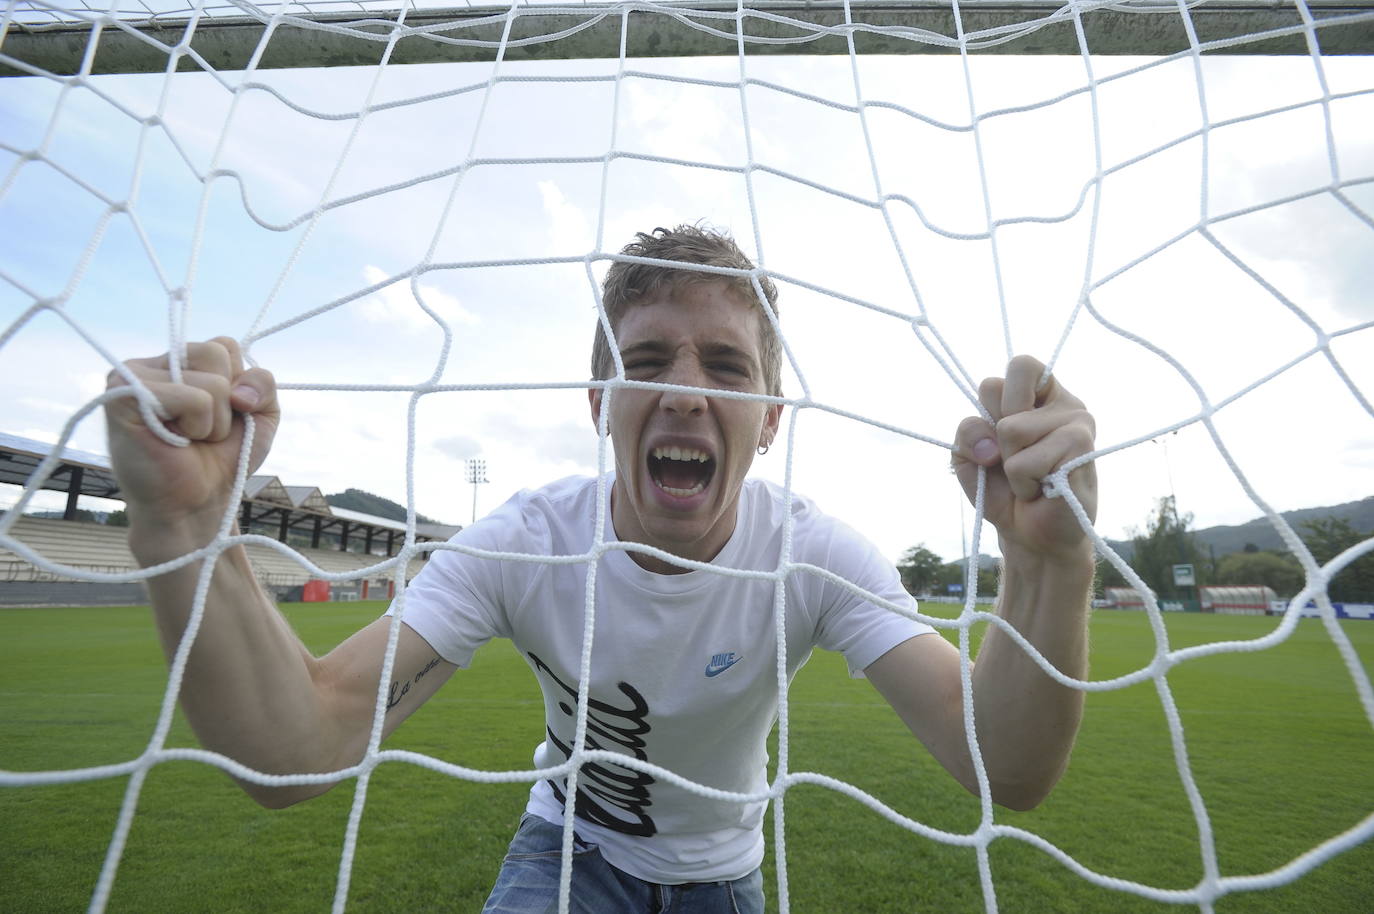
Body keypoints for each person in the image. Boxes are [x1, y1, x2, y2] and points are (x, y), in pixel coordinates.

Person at [104, 224, 1097, 913]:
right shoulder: (526, 541)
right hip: (569, 849)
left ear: (772, 420)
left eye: (727, 365)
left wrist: (1046, 567)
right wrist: (187, 524)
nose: (683, 392)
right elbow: (297, 746)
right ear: (597, 401)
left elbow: (1003, 762)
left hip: (727, 874)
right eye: (648, 358)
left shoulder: (812, 552)